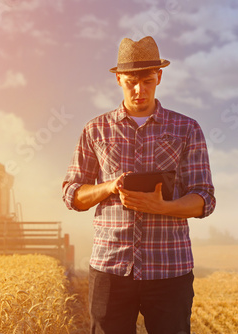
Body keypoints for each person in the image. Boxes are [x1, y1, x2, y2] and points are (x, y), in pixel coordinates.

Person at [62, 36, 216, 334]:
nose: (139, 90)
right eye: (131, 81)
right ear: (118, 79)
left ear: (159, 77)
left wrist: (164, 207)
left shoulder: (187, 128)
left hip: (170, 269)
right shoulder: (95, 129)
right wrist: (109, 187)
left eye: (147, 80)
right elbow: (72, 195)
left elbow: (204, 198)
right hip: (109, 269)